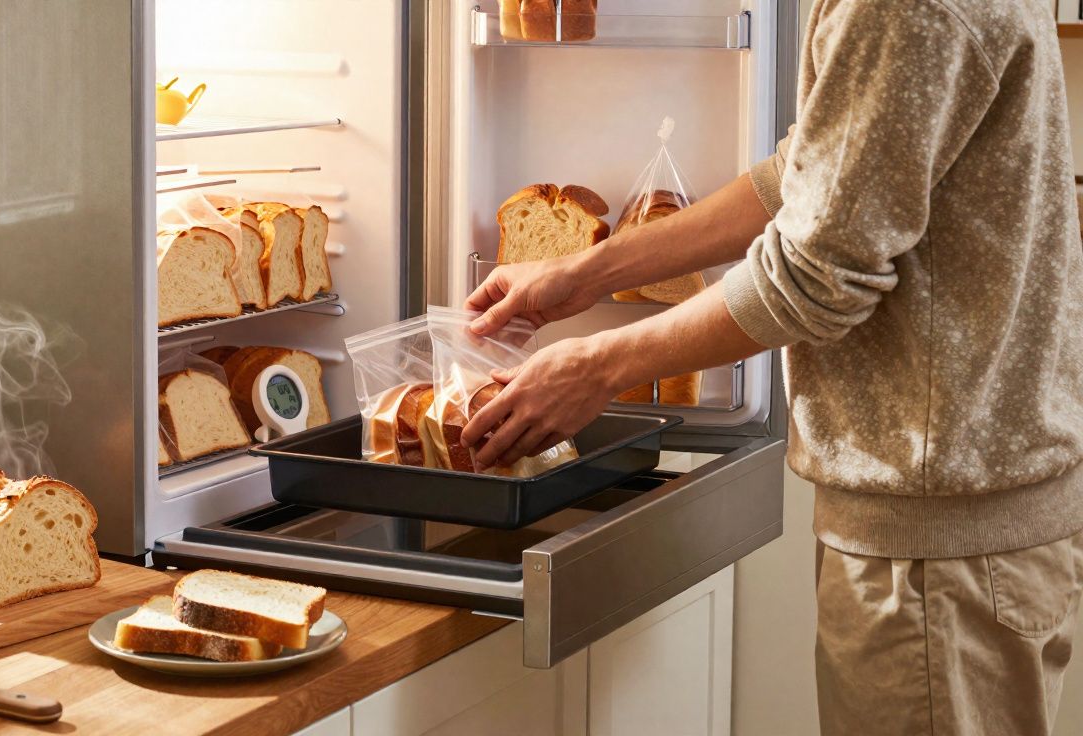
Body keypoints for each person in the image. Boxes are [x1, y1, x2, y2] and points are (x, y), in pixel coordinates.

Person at [463, 0, 1083, 733]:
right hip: (957, 529)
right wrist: (588, 271)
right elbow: (809, 173)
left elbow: (815, 276)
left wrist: (596, 366)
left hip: (937, 558)